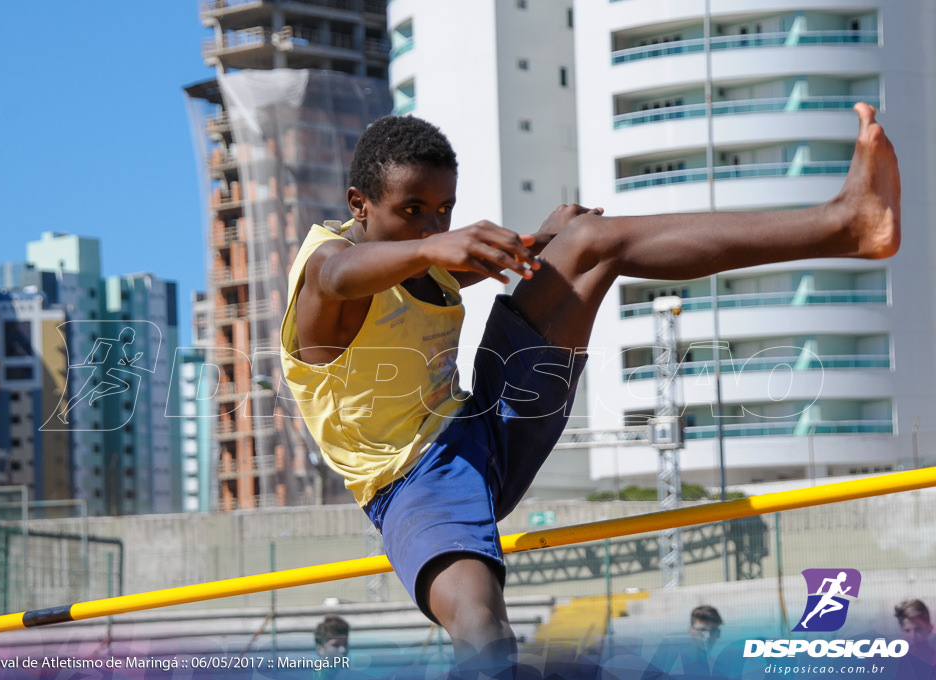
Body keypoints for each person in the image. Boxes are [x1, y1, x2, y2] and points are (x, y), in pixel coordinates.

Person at [280, 103, 900, 675]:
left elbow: (483, 258)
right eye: (412, 210)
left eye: (444, 209)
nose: (432, 224)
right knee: (483, 630)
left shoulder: (423, 252)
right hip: (416, 482)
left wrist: (542, 242)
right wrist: (438, 243)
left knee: (591, 245)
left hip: (484, 415)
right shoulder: (326, 274)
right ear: (358, 204)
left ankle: (845, 225)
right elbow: (338, 277)